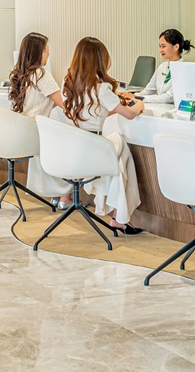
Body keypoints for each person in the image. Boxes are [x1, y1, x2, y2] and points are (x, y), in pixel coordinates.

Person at [58, 36, 144, 233]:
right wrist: (139, 103)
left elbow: (92, 111)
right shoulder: (102, 88)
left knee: (119, 157)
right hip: (92, 150)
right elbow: (130, 114)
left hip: (72, 148)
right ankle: (119, 216)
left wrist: (114, 102)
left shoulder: (68, 83)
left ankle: (118, 216)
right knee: (120, 146)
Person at [7, 31, 68, 201]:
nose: (48, 53)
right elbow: (64, 105)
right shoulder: (40, 74)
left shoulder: (20, 73)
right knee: (71, 140)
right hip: (36, 132)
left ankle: (57, 194)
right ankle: (64, 196)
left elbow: (45, 101)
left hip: (22, 130)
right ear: (38, 52)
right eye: (46, 49)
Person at [142, 28, 193, 103]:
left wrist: (143, 99)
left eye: (163, 46)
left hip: (172, 108)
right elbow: (148, 90)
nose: (160, 50)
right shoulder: (162, 67)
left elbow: (169, 97)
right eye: (160, 46)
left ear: (176, 47)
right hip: (159, 107)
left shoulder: (184, 70)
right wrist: (134, 96)